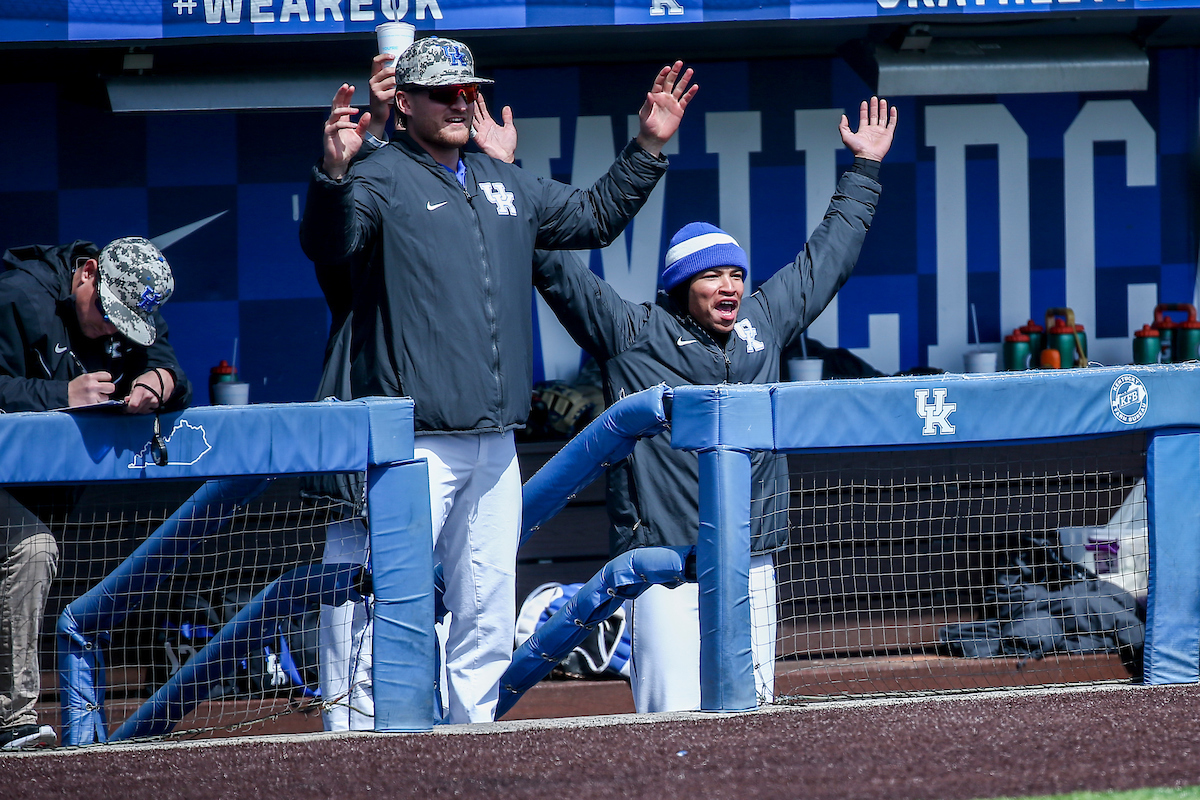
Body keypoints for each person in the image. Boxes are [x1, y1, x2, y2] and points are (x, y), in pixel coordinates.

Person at [299, 36, 696, 724]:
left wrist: (649, 147)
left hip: (493, 440)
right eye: (443, 93)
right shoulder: (380, 175)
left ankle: (469, 738)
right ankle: (354, 742)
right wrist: (334, 175)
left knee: (485, 609)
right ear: (406, 102)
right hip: (409, 441)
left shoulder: (503, 180)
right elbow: (330, 248)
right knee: (377, 603)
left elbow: (597, 217)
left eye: (468, 92)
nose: (460, 103)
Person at [533, 97, 897, 712]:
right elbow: (558, 271)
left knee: (750, 719)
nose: (729, 285)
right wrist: (507, 179)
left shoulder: (763, 320)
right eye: (712, 275)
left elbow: (825, 259)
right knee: (672, 721)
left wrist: (863, 170)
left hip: (750, 561)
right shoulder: (632, 332)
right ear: (681, 286)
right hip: (665, 565)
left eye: (735, 273)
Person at [0, 236, 191, 749]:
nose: (112, 330)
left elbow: (170, 368)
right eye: (108, 314)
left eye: (124, 325)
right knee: (31, 549)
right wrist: (58, 397)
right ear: (86, 274)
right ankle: (11, 718)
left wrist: (157, 382)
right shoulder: (17, 296)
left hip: (39, 489)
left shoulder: (131, 310)